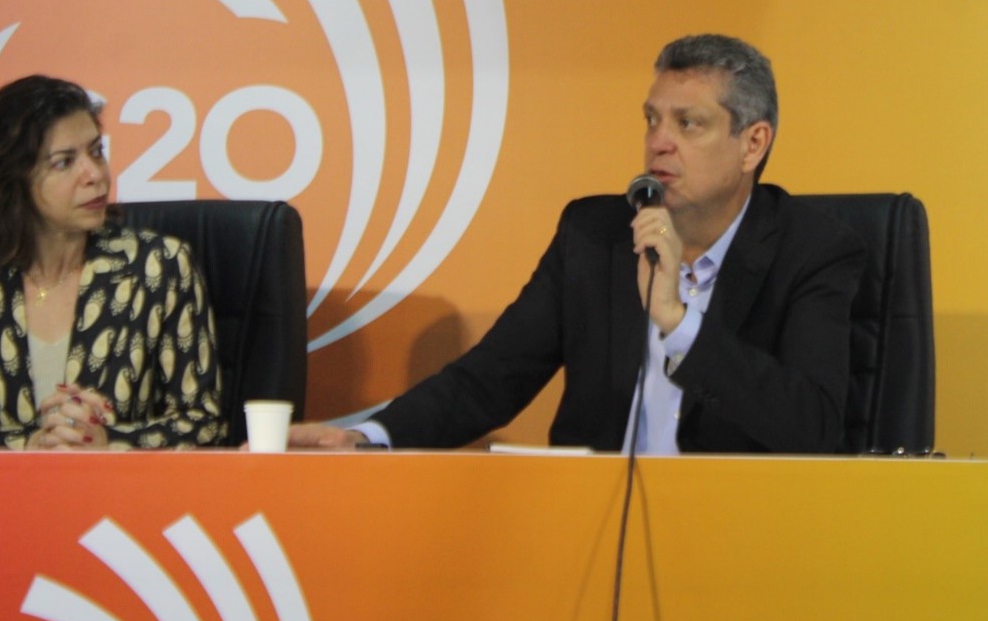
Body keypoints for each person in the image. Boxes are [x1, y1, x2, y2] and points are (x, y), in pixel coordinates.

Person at [292, 34, 866, 454]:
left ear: (752, 144)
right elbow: (492, 378)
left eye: (688, 124)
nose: (658, 143)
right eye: (651, 120)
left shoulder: (813, 250)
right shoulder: (595, 237)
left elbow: (811, 426)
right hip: (589, 532)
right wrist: (368, 438)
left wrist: (677, 322)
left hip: (739, 539)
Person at [0, 75, 222, 449]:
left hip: (120, 501)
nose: (95, 175)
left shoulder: (159, 267)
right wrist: (28, 446)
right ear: (11, 181)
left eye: (96, 151)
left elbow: (203, 423)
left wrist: (106, 442)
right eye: (64, 162)